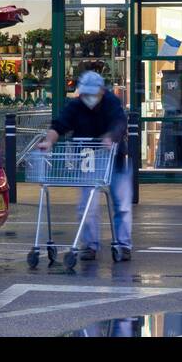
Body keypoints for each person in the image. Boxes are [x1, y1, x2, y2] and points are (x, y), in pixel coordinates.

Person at [34, 71, 132, 261]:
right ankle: (89, 244)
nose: (89, 98)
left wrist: (111, 137)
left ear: (102, 91)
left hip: (114, 159)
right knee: (86, 205)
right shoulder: (76, 106)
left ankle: (124, 244)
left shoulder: (111, 103)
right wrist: (48, 142)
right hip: (89, 161)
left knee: (122, 204)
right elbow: (59, 125)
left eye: (92, 93)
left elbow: (120, 122)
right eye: (85, 94)